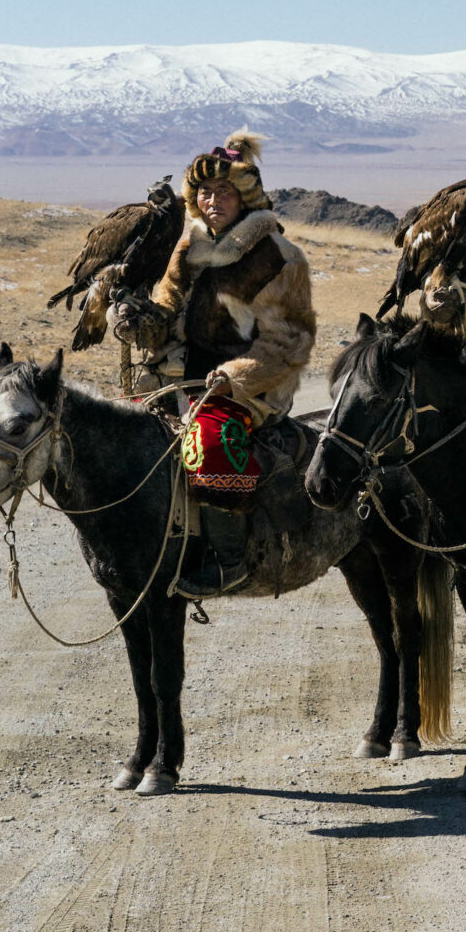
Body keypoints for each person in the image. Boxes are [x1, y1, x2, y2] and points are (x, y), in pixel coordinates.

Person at [139, 131, 317, 597]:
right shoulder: (189, 246)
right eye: (204, 192)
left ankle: (230, 561)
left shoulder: (279, 256)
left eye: (224, 192)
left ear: (245, 198)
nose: (212, 200)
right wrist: (141, 321)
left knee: (209, 444)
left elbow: (289, 342)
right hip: (183, 374)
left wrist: (235, 378)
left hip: (249, 386)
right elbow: (166, 307)